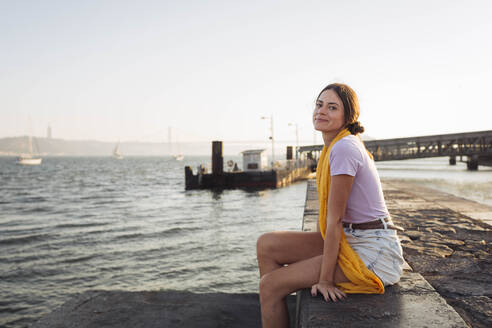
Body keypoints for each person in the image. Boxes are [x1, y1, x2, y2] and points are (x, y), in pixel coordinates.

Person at [256, 83, 404, 328]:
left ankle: (274, 295)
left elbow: (334, 220)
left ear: (348, 116)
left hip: (374, 251)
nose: (321, 111)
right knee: (267, 245)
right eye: (319, 104)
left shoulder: (344, 148)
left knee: (269, 285)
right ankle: (276, 305)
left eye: (332, 107)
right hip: (353, 236)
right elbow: (327, 220)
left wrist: (324, 280)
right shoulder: (333, 146)